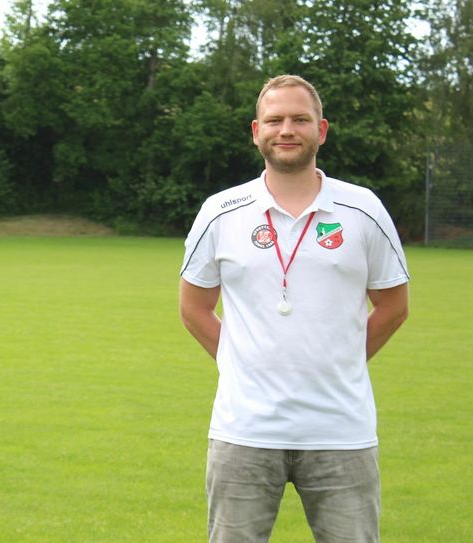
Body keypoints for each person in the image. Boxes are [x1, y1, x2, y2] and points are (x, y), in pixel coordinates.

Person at [178, 75, 409, 542]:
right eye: (275, 120)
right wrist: (239, 363)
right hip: (244, 429)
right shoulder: (221, 211)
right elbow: (194, 306)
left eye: (300, 119)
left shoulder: (363, 209)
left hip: (340, 431)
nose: (287, 129)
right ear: (255, 131)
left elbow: (393, 305)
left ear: (321, 130)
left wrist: (339, 361)